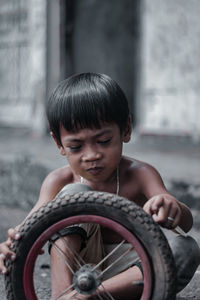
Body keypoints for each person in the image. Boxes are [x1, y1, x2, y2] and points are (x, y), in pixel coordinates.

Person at [0, 73, 199, 300]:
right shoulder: (58, 181)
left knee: (187, 248)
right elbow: (28, 230)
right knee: (75, 195)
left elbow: (185, 223)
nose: (92, 155)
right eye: (76, 146)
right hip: (78, 272)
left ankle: (82, 298)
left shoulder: (141, 175)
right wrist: (10, 246)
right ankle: (63, 295)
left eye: (103, 141)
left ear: (125, 129)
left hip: (132, 273)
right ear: (59, 144)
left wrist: (171, 207)